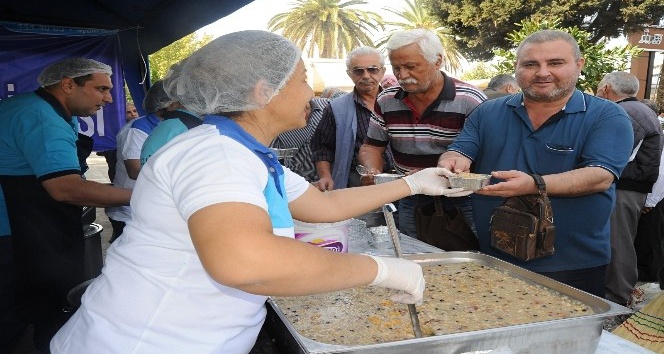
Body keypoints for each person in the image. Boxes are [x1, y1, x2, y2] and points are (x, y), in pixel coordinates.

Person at [50, 30, 471, 354]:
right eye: (302, 80)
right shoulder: (215, 154)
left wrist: (412, 182)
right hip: (151, 340)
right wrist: (380, 270)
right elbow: (244, 261)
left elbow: (321, 205)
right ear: (260, 91)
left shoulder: (241, 150)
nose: (313, 91)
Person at [438, 29, 634, 298]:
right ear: (516, 69)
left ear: (579, 65)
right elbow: (459, 150)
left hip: (571, 263)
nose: (542, 72)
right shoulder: (487, 112)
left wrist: (533, 184)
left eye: (555, 63)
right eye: (530, 64)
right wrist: (452, 163)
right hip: (496, 254)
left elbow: (600, 176)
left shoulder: (607, 116)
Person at [0, 58, 132, 351]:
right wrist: (144, 195)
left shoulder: (42, 110)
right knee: (14, 311)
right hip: (11, 231)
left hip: (25, 222)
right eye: (101, 89)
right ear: (69, 84)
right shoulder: (40, 116)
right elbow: (66, 188)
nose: (109, 98)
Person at [358, 29, 486, 239]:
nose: (402, 75)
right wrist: (372, 170)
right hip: (410, 196)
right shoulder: (386, 100)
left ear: (437, 61)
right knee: (414, 256)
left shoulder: (470, 99)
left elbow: (483, 154)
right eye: (396, 68)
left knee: (468, 262)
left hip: (461, 200)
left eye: (410, 66)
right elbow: (372, 146)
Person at [596, 71, 662, 305]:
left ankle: (618, 296)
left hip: (624, 187)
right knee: (618, 240)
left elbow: (613, 154)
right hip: (629, 186)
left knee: (618, 241)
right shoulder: (639, 110)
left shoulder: (626, 112)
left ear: (606, 89)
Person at [311, 46, 393, 191]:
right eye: (358, 71)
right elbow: (322, 148)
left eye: (372, 69)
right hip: (358, 183)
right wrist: (325, 176)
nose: (366, 76)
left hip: (399, 179)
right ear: (350, 74)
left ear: (382, 71)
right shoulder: (336, 108)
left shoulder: (398, 103)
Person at [105, 80, 173, 243]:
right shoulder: (139, 128)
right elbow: (134, 170)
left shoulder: (168, 126)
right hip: (129, 212)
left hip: (150, 207)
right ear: (167, 104)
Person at [270, 97, 328, 181]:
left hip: (326, 178)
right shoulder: (278, 121)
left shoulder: (326, 106)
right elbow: (272, 154)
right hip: (296, 179)